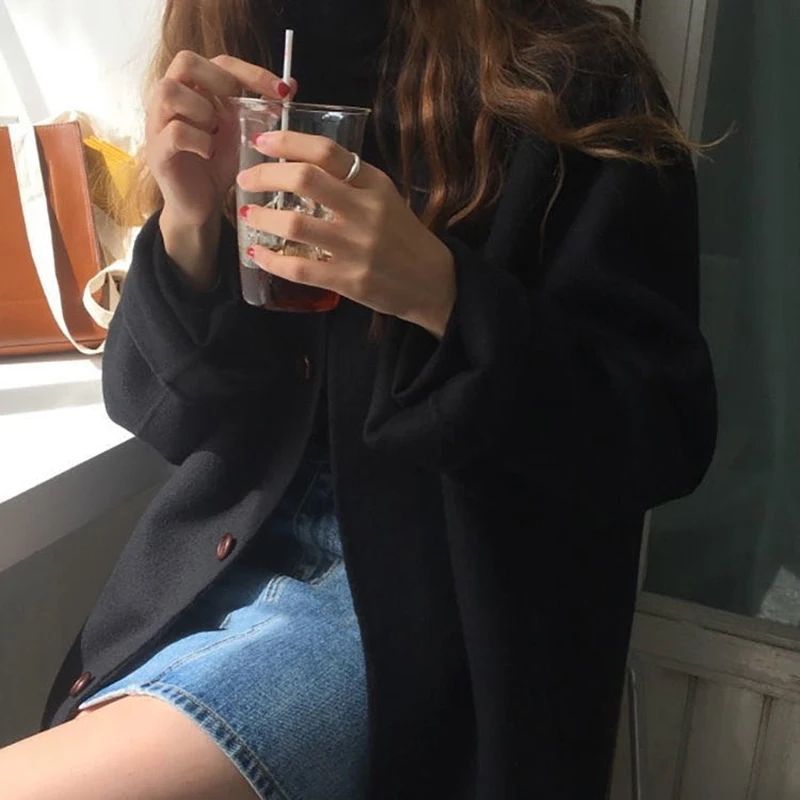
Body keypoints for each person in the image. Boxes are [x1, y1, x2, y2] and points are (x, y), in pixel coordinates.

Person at [0, 0, 717, 797]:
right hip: (214, 569)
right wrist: (187, 224)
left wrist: (442, 293)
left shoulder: (574, 73)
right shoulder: (234, 37)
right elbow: (154, 410)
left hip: (427, 608)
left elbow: (660, 432)